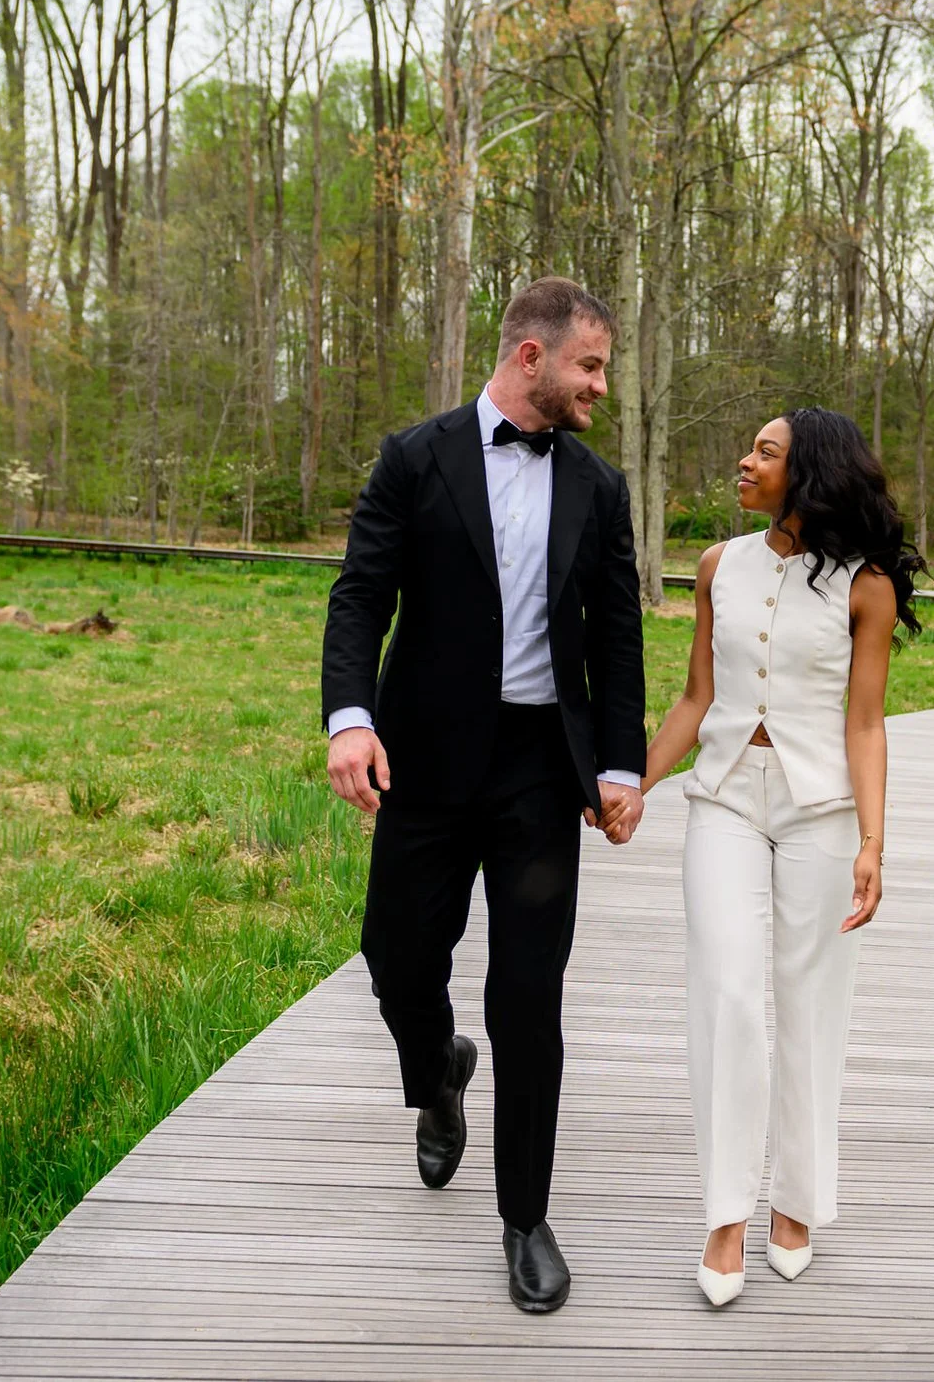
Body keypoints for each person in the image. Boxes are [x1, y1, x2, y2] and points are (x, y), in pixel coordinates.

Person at [320, 277, 648, 1315]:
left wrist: (619, 765)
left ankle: (524, 1215)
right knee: (396, 954)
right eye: (590, 364)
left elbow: (615, 636)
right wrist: (350, 717)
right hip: (421, 754)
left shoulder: (598, 486)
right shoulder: (414, 459)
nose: (601, 383)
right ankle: (437, 1066)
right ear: (528, 357)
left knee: (528, 996)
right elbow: (361, 593)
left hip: (537, 769)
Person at [639, 408, 922, 1308]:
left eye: (765, 451)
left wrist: (874, 840)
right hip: (725, 793)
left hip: (823, 810)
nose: (744, 459)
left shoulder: (864, 585)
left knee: (811, 1002)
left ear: (809, 474)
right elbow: (695, 698)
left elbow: (865, 721)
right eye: (750, 446)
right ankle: (726, 1213)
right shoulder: (720, 565)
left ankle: (796, 1201)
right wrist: (633, 782)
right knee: (725, 991)